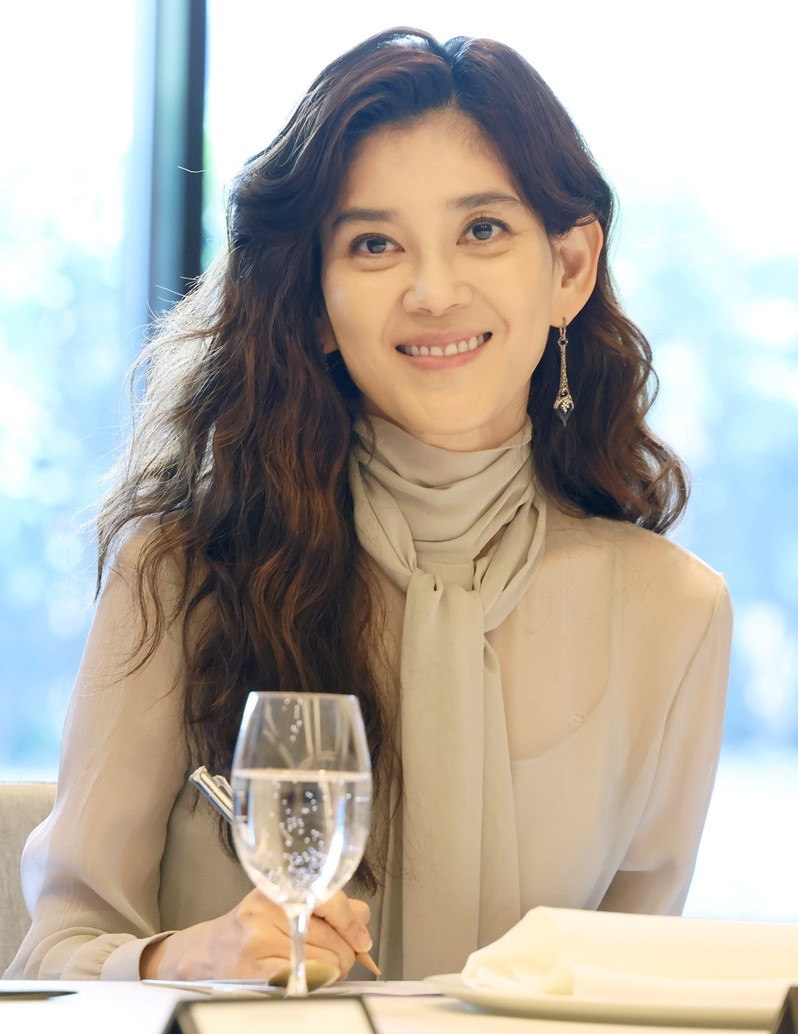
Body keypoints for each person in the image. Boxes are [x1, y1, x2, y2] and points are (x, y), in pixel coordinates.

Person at [5, 27, 732, 983]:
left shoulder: (677, 616)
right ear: (316, 303)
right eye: (375, 244)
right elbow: (54, 961)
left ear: (570, 270)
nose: (433, 291)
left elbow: (626, 989)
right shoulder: (179, 575)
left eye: (482, 230)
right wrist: (193, 956)